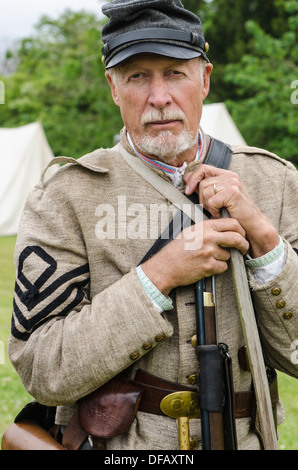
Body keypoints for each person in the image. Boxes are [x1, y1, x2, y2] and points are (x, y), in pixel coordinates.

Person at [8, 0, 298, 451]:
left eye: (175, 73)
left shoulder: (275, 182)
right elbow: (43, 369)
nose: (158, 97)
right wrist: (159, 276)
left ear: (204, 80)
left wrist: (262, 235)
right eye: (138, 76)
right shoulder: (64, 196)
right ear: (113, 87)